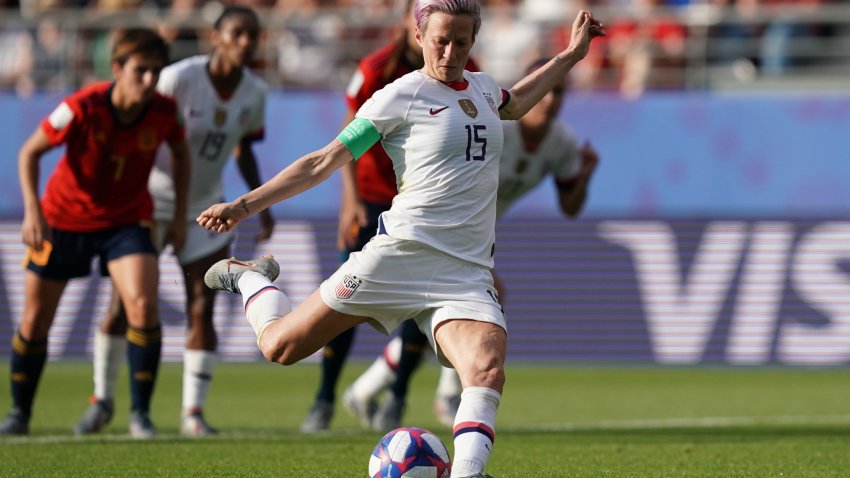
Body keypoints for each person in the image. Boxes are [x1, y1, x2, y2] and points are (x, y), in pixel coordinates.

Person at [198, 4, 604, 477]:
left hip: (466, 272)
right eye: (440, 40)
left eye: (462, 42)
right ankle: (251, 280)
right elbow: (323, 162)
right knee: (280, 348)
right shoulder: (400, 95)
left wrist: (572, 54)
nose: (451, 52)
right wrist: (244, 205)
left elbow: (519, 101)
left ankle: (469, 473)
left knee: (486, 369)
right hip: (399, 255)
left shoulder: (484, 88)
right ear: (418, 34)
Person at [346, 58, 600, 432]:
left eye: (559, 91)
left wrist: (585, 177)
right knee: (476, 304)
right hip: (435, 228)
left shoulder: (562, 143)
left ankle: (369, 390)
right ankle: (446, 392)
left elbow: (570, 207)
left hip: (473, 238)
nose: (550, 99)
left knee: (454, 312)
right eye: (546, 89)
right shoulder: (496, 125)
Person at [74, 6, 274, 438]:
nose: (246, 42)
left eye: (252, 35)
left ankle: (193, 414)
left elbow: (242, 147)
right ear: (215, 37)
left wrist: (261, 202)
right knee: (123, 306)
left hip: (205, 207)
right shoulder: (178, 77)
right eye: (237, 33)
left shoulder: (255, 92)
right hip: (147, 204)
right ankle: (102, 401)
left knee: (202, 308)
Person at [299, 0, 480, 434]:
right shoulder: (376, 69)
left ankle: (396, 397)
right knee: (345, 302)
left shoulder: (465, 66)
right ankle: (324, 397)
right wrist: (350, 200)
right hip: (373, 197)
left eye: (460, 40)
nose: (451, 49)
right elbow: (344, 136)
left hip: (421, 207)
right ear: (412, 24)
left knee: (424, 303)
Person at [0, 28, 189, 438]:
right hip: (64, 220)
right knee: (34, 322)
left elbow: (181, 151)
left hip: (127, 220)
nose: (149, 80)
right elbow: (28, 152)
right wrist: (33, 212)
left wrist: (178, 214)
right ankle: (19, 414)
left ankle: (140, 416)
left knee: (142, 305)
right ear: (117, 69)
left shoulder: (164, 111)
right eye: (141, 70)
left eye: (157, 72)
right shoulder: (81, 106)